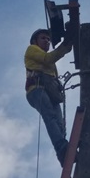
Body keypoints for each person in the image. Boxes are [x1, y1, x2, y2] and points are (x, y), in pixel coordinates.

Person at [24, 29, 73, 166]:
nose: (47, 41)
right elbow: (48, 58)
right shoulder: (32, 49)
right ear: (35, 41)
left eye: (48, 39)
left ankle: (63, 153)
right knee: (50, 116)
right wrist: (65, 46)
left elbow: (53, 75)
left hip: (51, 92)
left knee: (60, 125)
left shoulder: (52, 65)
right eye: (43, 38)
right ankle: (61, 147)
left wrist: (66, 46)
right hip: (37, 89)